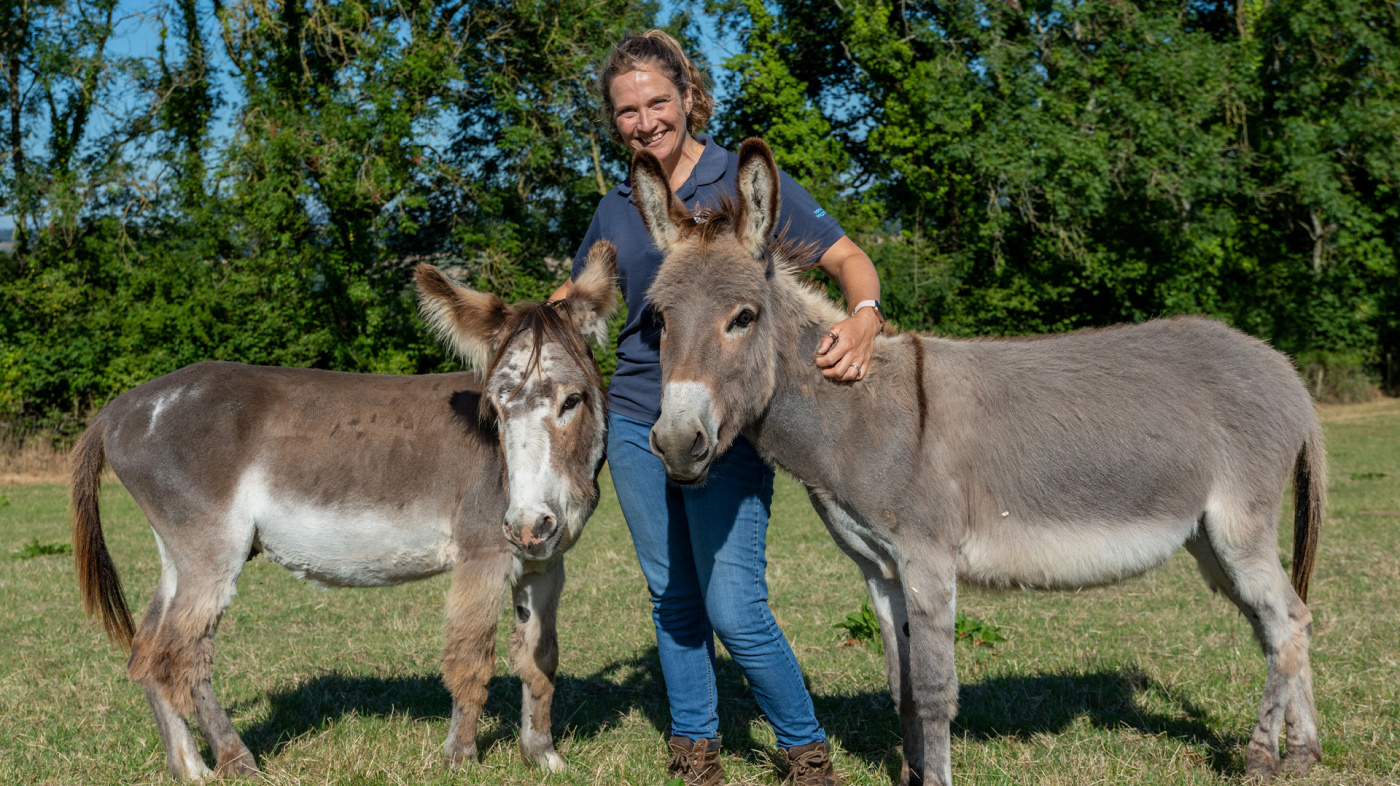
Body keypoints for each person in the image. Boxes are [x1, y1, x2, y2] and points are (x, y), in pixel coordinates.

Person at [549, 30, 882, 786]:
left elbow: (846, 257)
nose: (645, 121)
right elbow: (577, 300)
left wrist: (863, 315)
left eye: (657, 102)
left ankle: (807, 753)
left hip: (726, 423)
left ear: (689, 96)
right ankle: (696, 752)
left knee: (734, 607)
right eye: (627, 110)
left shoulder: (743, 181)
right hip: (637, 416)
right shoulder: (619, 207)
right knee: (672, 598)